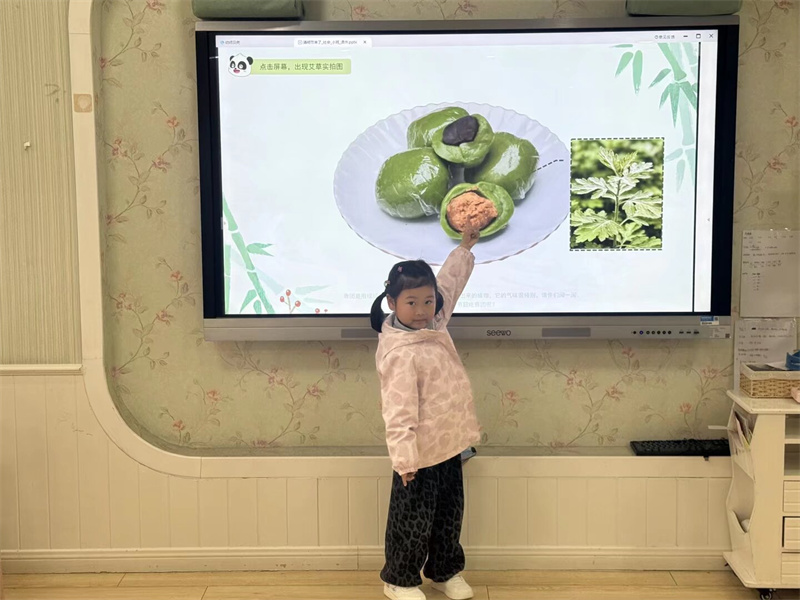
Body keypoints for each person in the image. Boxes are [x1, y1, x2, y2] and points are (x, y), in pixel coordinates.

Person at [370, 230, 481, 600]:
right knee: (412, 522)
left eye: (428, 301)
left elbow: (450, 282)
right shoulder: (399, 352)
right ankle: (399, 579)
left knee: (449, 515)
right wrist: (404, 460)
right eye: (411, 302)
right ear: (392, 302)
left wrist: (464, 249)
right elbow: (397, 412)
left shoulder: (435, 323)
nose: (421, 310)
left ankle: (445, 571)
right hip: (417, 456)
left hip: (449, 445)